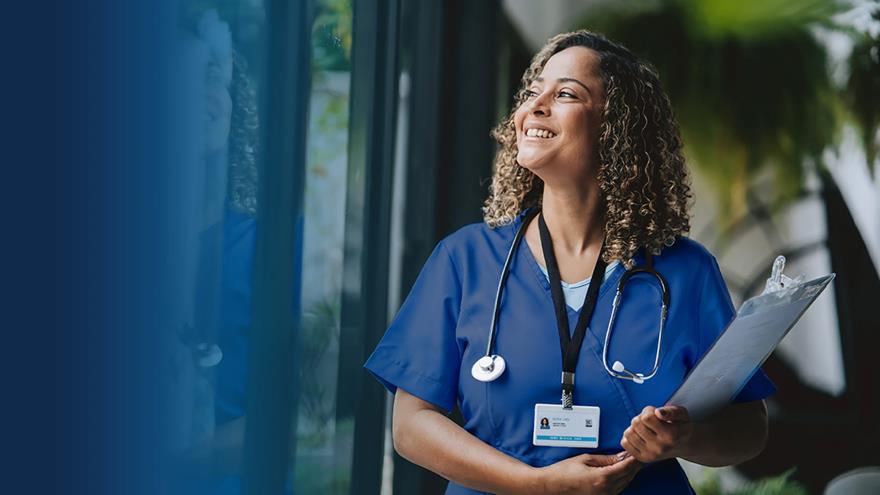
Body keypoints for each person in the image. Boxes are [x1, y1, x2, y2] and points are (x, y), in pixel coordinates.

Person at [364, 30, 775, 494]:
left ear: (615, 126)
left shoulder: (685, 271)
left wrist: (685, 437)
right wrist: (536, 484)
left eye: (564, 94)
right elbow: (412, 425)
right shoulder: (465, 259)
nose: (534, 107)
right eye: (531, 93)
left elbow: (749, 425)